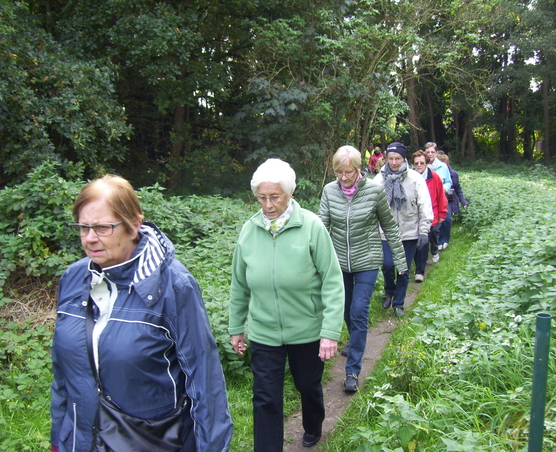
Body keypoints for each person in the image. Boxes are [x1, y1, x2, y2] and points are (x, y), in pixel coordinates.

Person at [50, 175, 233, 452]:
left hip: (150, 441)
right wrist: (59, 439)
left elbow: (204, 379)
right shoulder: (74, 278)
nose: (90, 239)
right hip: (80, 441)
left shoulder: (173, 286)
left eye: (102, 227)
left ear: (134, 224)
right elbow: (63, 373)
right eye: (83, 227)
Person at [228, 159, 344, 451]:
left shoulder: (312, 227)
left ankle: (313, 424)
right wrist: (236, 327)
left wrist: (330, 331)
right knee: (265, 397)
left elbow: (332, 280)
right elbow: (240, 284)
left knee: (308, 386)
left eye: (274, 196)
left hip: (306, 329)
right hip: (264, 332)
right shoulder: (249, 231)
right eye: (262, 197)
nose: (267, 204)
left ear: (290, 193)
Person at [319, 146, 406, 393]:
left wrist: (400, 261)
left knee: (359, 311)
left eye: (348, 172)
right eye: (338, 172)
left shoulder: (375, 191)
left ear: (359, 169)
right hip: (338, 262)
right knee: (345, 310)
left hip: (367, 260)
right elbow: (321, 228)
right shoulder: (329, 191)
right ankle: (355, 339)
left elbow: (389, 226)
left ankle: (352, 371)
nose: (343, 177)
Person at [373, 143, 433, 316]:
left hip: (409, 232)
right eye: (391, 159)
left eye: (397, 158)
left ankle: (398, 304)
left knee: (403, 268)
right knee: (387, 264)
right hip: (385, 232)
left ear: (403, 158)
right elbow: (370, 205)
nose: (394, 162)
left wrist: (424, 230)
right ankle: (389, 291)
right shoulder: (379, 180)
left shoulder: (414, 178)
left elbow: (425, 205)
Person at [412, 151, 447, 282]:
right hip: (414, 216)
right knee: (417, 242)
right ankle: (419, 269)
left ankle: (424, 264)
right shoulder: (410, 177)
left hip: (431, 214)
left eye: (422, 163)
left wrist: (443, 213)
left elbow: (441, 196)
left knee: (429, 237)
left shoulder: (435, 177)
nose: (419, 165)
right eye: (416, 163)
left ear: (427, 163)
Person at [437, 152, 468, 250]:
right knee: (438, 221)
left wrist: (463, 202)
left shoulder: (453, 174)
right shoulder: (434, 173)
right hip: (437, 200)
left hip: (449, 200)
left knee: (447, 219)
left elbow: (458, 188)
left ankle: (445, 240)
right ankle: (438, 241)